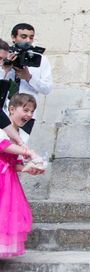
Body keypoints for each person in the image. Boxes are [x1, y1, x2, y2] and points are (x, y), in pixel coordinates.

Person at [0, 93, 45, 258]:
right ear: (11, 109)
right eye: (25, 110)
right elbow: (3, 145)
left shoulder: (23, 135)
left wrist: (28, 168)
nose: (29, 115)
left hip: (9, 180)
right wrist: (28, 152)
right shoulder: (2, 127)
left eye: (32, 112)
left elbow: (15, 163)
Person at [3, 23, 53, 136]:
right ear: (13, 37)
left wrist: (29, 77)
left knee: (20, 145)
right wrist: (5, 69)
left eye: (31, 37)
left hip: (26, 113)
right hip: (4, 108)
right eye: (23, 36)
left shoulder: (40, 59)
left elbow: (47, 89)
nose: (28, 40)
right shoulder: (4, 55)